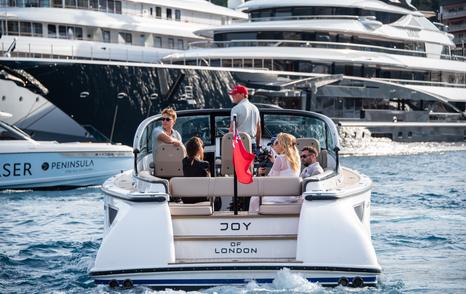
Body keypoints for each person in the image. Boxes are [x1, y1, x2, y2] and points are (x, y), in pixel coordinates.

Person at [249, 133, 301, 212]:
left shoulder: (280, 158)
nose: (275, 145)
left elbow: (271, 180)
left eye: (277, 142)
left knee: (254, 198)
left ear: (282, 144)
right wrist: (275, 162)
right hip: (291, 196)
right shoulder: (297, 159)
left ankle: (254, 220)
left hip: (280, 197)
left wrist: (258, 174)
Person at [228, 85, 261, 151]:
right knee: (252, 161)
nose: (232, 96)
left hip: (240, 144)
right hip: (252, 144)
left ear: (242, 94)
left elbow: (232, 129)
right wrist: (258, 146)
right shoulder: (255, 108)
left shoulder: (235, 109)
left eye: (234, 94)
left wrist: (228, 145)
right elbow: (258, 130)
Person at [182, 137, 210, 204]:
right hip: (201, 199)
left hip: (186, 199)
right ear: (199, 150)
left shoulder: (183, 163)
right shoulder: (205, 164)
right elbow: (209, 183)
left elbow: (188, 158)